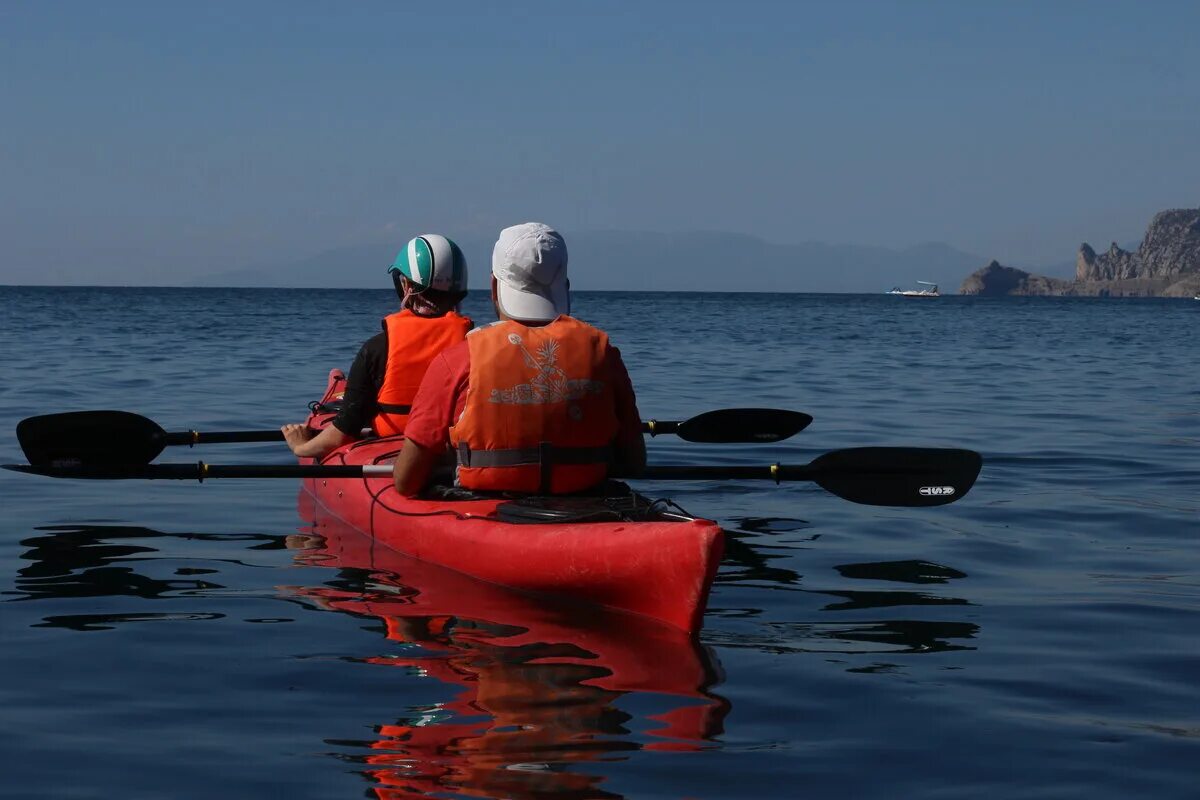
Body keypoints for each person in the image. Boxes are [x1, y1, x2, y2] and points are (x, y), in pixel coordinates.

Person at [392, 222, 646, 497]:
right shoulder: (605, 354)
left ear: (494, 286)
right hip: (585, 501)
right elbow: (634, 463)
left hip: (485, 509)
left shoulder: (456, 361)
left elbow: (406, 482)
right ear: (566, 287)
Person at [282, 234, 473, 458]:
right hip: (457, 453)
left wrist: (300, 447)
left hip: (396, 451)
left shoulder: (376, 349)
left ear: (405, 285)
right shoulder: (477, 343)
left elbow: (342, 433)